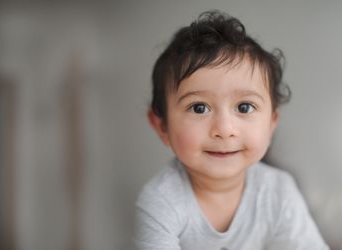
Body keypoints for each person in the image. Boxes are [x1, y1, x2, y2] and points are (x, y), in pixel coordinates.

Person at [133, 10, 329, 250]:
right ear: (162, 126)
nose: (224, 130)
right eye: (199, 108)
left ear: (271, 123)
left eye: (244, 107)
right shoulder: (161, 201)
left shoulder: (279, 192)